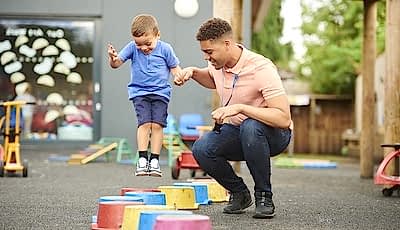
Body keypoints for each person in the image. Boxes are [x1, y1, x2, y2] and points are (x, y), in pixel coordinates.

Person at [174, 18, 292, 219]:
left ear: (227, 44)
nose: (206, 57)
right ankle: (239, 193)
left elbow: (283, 118)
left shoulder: (261, 68)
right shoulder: (218, 66)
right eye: (204, 52)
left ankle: (264, 195)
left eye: (209, 52)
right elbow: (212, 78)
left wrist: (240, 108)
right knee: (202, 148)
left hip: (274, 134)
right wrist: (192, 72)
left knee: (250, 126)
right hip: (239, 132)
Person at [108, 14, 181, 177]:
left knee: (157, 125)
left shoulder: (166, 49)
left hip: (161, 93)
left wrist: (179, 77)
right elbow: (117, 63)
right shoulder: (132, 48)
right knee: (144, 124)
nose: (143, 48)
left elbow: (175, 68)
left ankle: (154, 160)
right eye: (139, 44)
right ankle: (142, 159)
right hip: (139, 92)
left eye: (148, 43)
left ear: (157, 35)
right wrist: (112, 59)